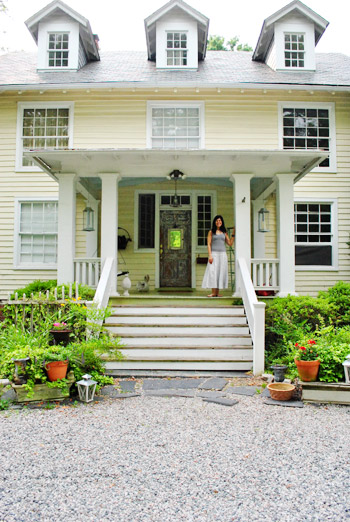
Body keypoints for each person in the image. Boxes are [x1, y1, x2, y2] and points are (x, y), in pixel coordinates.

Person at [201, 215, 235, 297]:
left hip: (222, 255)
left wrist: (233, 234)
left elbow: (230, 243)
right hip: (214, 254)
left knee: (220, 271)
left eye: (220, 220)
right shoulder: (211, 232)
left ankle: (217, 293)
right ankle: (213, 292)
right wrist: (210, 255)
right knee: (213, 272)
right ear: (215, 222)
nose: (218, 222)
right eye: (217, 220)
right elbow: (209, 244)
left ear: (222, 222)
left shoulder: (224, 232)